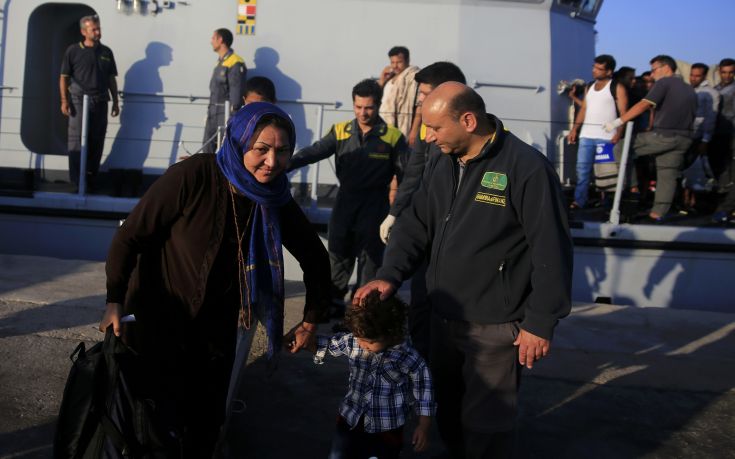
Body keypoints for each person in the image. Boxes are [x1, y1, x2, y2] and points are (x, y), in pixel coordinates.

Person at [354, 82, 573, 459]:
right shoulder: (443, 162)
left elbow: (551, 249)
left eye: (436, 127)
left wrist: (540, 321)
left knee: (487, 426)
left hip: (494, 326)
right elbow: (415, 224)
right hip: (443, 320)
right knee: (449, 414)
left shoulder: (526, 169)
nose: (428, 136)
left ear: (468, 120)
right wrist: (389, 274)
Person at [99, 102, 331, 458]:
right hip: (157, 326)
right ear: (239, 145)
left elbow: (315, 256)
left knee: (203, 429)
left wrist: (311, 320)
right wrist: (114, 300)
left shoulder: (274, 197)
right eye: (262, 149)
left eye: (282, 151)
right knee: (146, 429)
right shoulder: (194, 175)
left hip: (215, 336)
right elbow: (131, 234)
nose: (272, 161)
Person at [288, 79, 408, 317]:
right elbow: (314, 152)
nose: (363, 113)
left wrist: (401, 212)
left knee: (370, 262)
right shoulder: (340, 131)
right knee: (338, 255)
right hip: (344, 202)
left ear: (378, 105)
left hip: (375, 205)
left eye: (369, 108)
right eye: (358, 107)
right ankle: (330, 305)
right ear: (353, 104)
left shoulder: (393, 137)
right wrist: (286, 163)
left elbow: (407, 177)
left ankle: (360, 314)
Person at [378, 61, 466, 359]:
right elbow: (414, 176)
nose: (420, 101)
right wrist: (395, 213)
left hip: (458, 252)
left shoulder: (506, 161)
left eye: (426, 94)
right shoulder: (430, 133)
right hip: (427, 236)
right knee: (421, 312)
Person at [303, 292, 434, 459]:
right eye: (360, 339)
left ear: (390, 333)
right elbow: (327, 345)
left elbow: (425, 393)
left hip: (387, 429)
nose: (363, 345)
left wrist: (423, 427)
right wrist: (305, 341)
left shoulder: (408, 357)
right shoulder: (355, 340)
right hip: (351, 420)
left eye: (370, 342)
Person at [604, 55, 697, 222]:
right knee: (667, 174)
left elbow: (644, 104)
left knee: (621, 148)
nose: (652, 75)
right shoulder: (689, 88)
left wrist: (618, 121)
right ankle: (657, 214)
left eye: (654, 70)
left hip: (664, 135)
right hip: (685, 138)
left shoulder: (664, 83)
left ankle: (632, 189)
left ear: (666, 68)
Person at [59, 14, 119, 191]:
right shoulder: (73, 51)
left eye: (99, 28)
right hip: (78, 100)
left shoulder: (106, 52)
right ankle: (77, 180)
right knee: (76, 140)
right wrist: (64, 101)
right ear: (84, 32)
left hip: (100, 101)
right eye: (94, 29)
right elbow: (63, 78)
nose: (98, 32)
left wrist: (115, 101)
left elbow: (111, 79)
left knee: (97, 140)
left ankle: (91, 178)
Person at [567, 54, 628, 209]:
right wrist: (575, 129)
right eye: (594, 67)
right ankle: (579, 201)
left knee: (606, 174)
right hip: (586, 136)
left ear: (609, 72)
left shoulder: (617, 87)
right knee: (582, 171)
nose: (594, 71)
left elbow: (624, 113)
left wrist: (619, 132)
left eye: (599, 69)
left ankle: (608, 204)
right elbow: (584, 109)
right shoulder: (590, 86)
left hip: (606, 138)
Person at [202, 28, 247, 153]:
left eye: (213, 38)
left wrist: (232, 119)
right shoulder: (220, 62)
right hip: (213, 113)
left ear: (220, 40)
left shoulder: (235, 62)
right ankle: (208, 173)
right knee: (207, 149)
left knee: (226, 150)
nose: (211, 41)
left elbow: (236, 95)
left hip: (225, 114)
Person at [378, 46, 420, 138]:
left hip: (404, 127)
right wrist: (382, 80)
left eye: (399, 62)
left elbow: (419, 105)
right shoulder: (390, 78)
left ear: (407, 60)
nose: (395, 66)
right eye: (392, 62)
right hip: (385, 125)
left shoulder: (413, 77)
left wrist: (414, 131)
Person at [713, 58, 735, 203]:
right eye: (724, 72)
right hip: (716, 134)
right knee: (719, 167)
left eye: (730, 72)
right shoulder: (715, 89)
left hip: (732, 133)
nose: (727, 75)